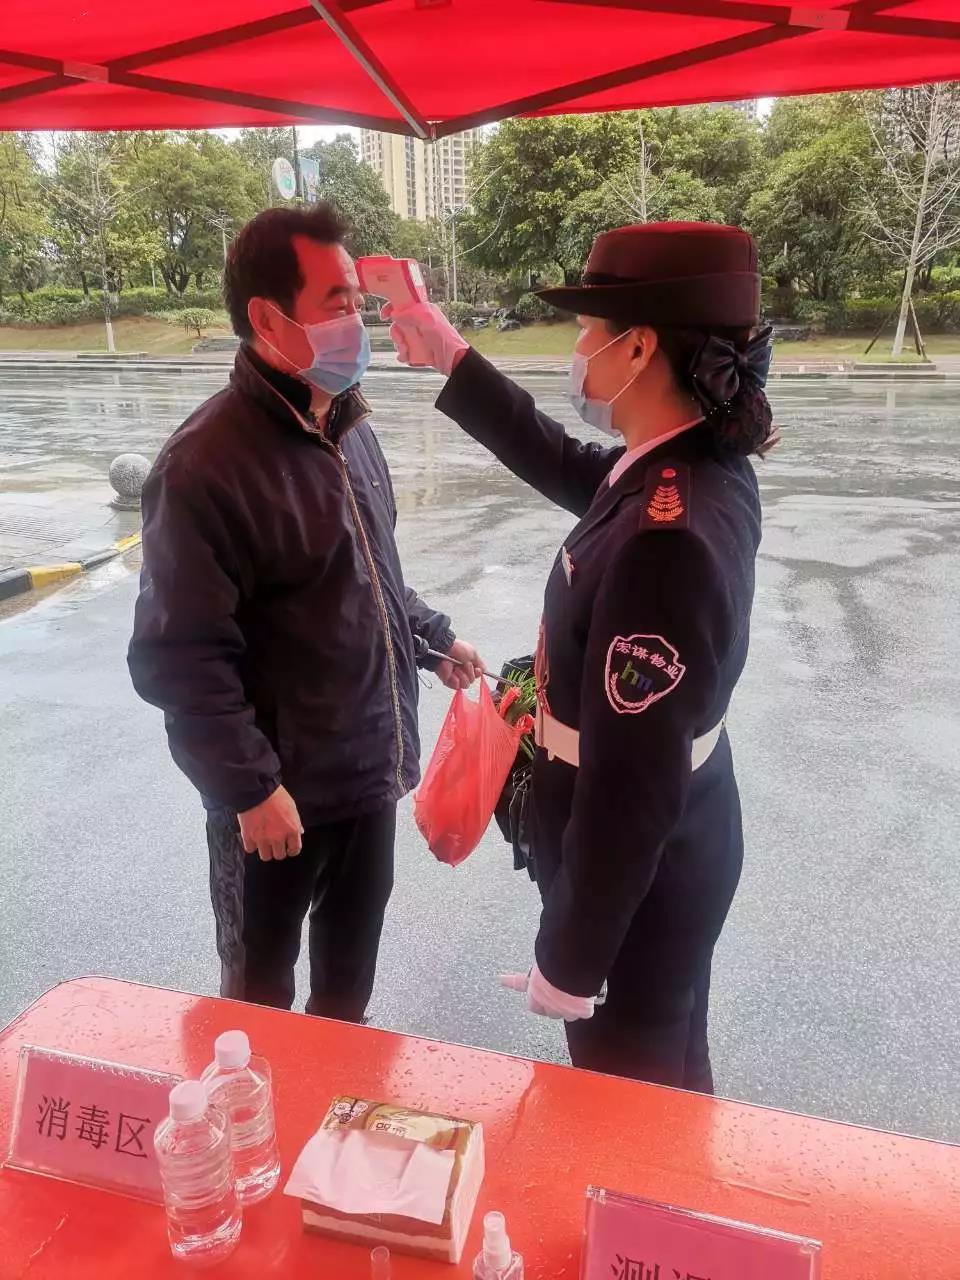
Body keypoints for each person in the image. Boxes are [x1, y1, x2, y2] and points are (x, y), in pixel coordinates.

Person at [388, 222, 774, 1090]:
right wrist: (450, 354)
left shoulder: (667, 538)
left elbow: (631, 787)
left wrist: (571, 959)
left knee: (628, 1094)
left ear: (638, 348)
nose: (578, 349)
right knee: (671, 1063)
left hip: (643, 876)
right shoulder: (678, 463)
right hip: (679, 843)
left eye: (588, 330)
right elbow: (561, 459)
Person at [128, 203, 482, 1022]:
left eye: (358, 299)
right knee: (259, 1005)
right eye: (337, 302)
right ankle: (259, 1107)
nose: (358, 320)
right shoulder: (203, 467)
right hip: (276, 804)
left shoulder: (350, 427)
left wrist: (433, 641)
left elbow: (369, 577)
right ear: (267, 318)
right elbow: (180, 658)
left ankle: (335, 1102)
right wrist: (250, 788)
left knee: (347, 996)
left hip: (369, 777)